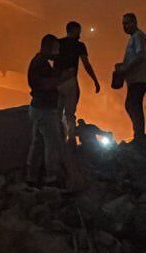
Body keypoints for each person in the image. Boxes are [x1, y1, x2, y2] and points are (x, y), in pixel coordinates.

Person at [27, 34, 74, 187]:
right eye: (55, 49)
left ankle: (32, 176)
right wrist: (64, 78)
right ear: (47, 47)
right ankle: (51, 177)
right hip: (44, 110)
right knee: (51, 144)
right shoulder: (40, 64)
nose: (57, 52)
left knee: (38, 144)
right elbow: (46, 85)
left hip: (39, 108)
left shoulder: (40, 62)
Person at [56, 21, 101, 144]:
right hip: (70, 81)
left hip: (57, 81)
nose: (80, 34)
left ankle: (58, 138)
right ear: (73, 30)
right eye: (78, 31)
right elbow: (86, 64)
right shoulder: (79, 45)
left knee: (57, 113)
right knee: (70, 114)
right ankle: (70, 140)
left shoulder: (58, 43)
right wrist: (95, 80)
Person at [114, 13, 146, 144]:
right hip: (135, 79)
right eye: (123, 24)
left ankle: (139, 136)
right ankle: (138, 135)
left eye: (127, 23)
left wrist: (126, 68)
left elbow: (140, 56)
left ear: (134, 22)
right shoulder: (134, 38)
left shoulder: (138, 37)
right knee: (132, 105)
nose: (125, 26)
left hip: (139, 79)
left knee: (133, 105)